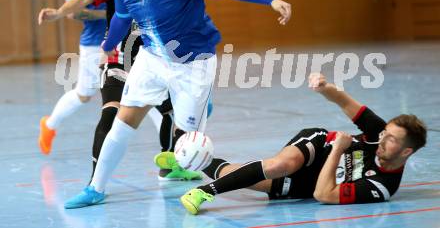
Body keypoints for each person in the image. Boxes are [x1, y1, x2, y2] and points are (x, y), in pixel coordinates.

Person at [63, 0, 291, 209]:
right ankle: (95, 188)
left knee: (188, 146)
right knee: (122, 124)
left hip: (193, 65)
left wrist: (271, 0)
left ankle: (196, 170)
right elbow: (122, 18)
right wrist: (108, 45)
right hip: (152, 59)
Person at [38, 0, 202, 182]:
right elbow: (81, 4)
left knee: (166, 110)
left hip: (148, 55)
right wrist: (61, 13)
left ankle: (170, 163)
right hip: (104, 47)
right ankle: (54, 132)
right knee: (88, 96)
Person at [172, 73, 427, 215]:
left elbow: (322, 194)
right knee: (282, 164)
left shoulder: (381, 187)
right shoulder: (378, 132)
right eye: (385, 134)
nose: (382, 139)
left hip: (309, 183)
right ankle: (204, 192)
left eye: (391, 139)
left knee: (231, 173)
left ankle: (186, 159)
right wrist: (325, 87)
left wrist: (339, 150)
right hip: (316, 149)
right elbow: (346, 102)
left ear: (406, 151)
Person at [38, 0, 113, 155]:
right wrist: (108, 15)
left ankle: (171, 149)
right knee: (84, 93)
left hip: (117, 40)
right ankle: (49, 125)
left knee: (138, 90)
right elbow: (73, 13)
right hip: (94, 43)